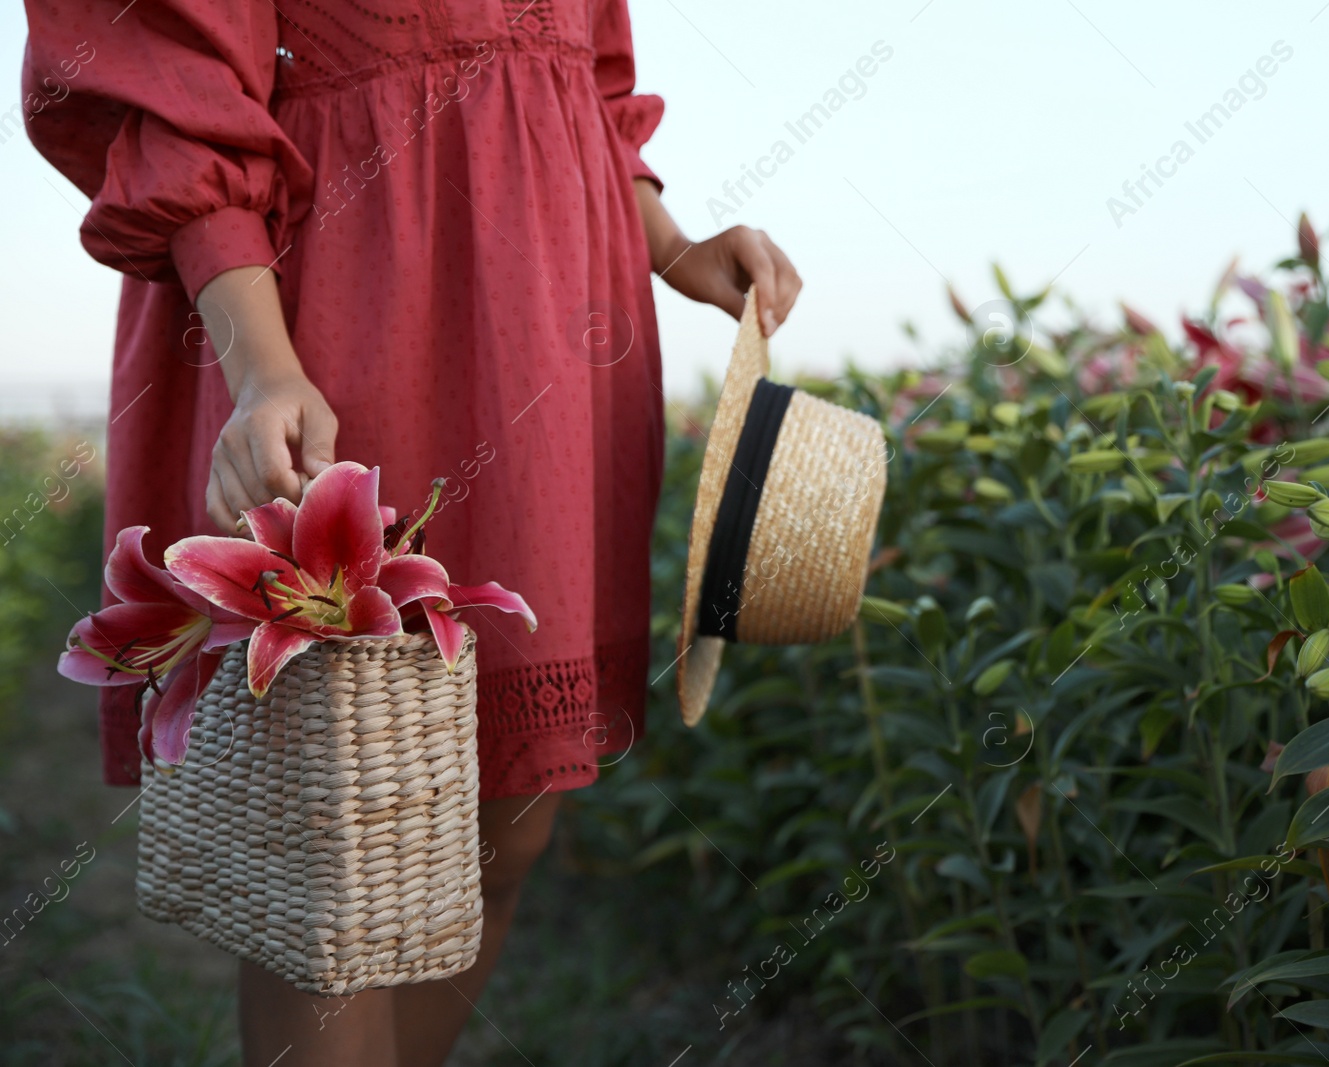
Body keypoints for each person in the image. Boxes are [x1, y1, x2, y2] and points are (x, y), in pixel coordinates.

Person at [22, 2, 801, 1063]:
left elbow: (585, 78)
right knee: (339, 837)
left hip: (557, 326)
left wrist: (670, 245)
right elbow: (174, 76)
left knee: (511, 813)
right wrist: (262, 367)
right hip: (345, 295)